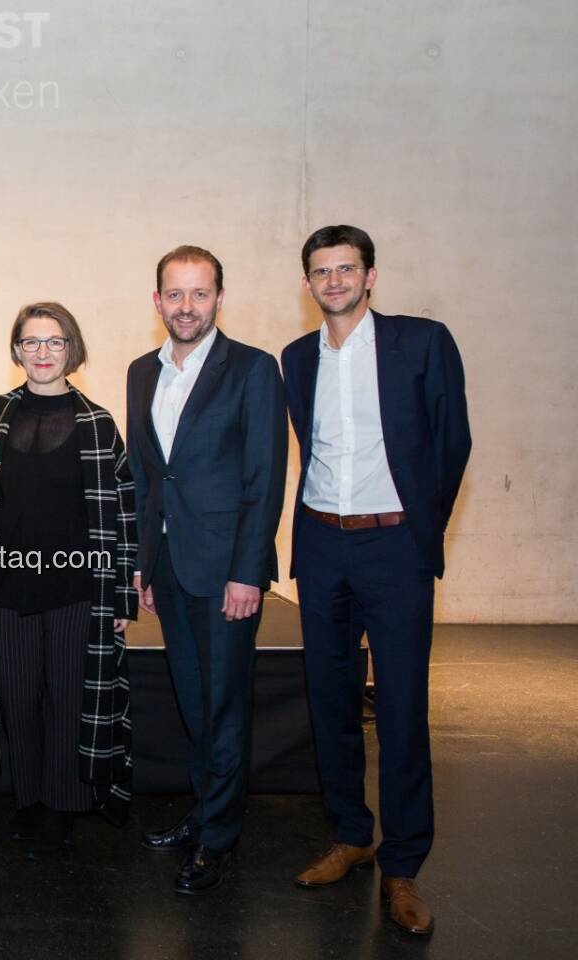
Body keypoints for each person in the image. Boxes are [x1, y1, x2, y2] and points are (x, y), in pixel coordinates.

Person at [282, 225, 470, 936]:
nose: (334, 281)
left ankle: (403, 866)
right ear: (307, 283)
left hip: (395, 545)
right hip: (323, 543)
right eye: (321, 272)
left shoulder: (421, 342)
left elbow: (453, 442)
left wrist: (420, 525)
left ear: (371, 275)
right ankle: (351, 835)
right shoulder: (296, 357)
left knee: (399, 708)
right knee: (328, 698)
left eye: (346, 269)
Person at [126, 245, 287, 894]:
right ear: (157, 299)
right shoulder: (143, 371)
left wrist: (249, 572)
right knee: (196, 702)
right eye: (175, 293)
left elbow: (265, 477)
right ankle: (204, 813)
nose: (186, 306)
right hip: (169, 568)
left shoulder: (252, 370)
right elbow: (144, 476)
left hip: (226, 574)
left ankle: (218, 838)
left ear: (220, 298)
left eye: (199, 293)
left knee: (225, 705)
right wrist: (140, 563)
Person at [0, 302, 139, 854]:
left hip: (77, 590)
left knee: (68, 699)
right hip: (8, 587)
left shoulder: (98, 424)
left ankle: (63, 807)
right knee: (17, 698)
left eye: (54, 342)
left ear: (73, 349)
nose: (43, 353)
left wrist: (120, 601)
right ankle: (29, 801)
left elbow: (125, 515)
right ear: (17, 350)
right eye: (31, 342)